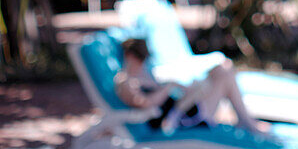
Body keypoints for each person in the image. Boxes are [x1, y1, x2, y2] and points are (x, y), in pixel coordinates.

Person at [114, 36, 267, 135]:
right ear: (129, 56)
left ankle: (245, 121)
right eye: (141, 57)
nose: (143, 62)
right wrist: (169, 86)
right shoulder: (124, 81)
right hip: (181, 120)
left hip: (186, 109)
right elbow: (144, 103)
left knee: (222, 68)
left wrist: (178, 86)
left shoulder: (147, 75)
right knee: (225, 74)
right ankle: (247, 123)